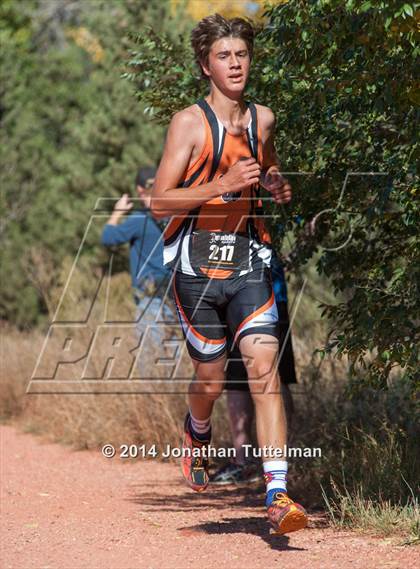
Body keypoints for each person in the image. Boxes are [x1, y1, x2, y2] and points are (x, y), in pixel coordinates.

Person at [151, 14, 308, 535]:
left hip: (248, 260)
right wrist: (218, 184)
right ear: (206, 66)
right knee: (211, 381)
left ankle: (278, 493)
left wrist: (276, 185)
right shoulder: (188, 124)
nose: (235, 63)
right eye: (224, 56)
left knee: (263, 369)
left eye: (241, 54)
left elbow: (267, 168)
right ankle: (197, 431)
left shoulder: (262, 119)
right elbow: (158, 202)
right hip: (196, 264)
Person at [211, 254, 298, 485]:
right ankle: (254, 462)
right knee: (260, 377)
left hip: (249, 294)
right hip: (251, 295)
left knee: (265, 378)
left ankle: (256, 462)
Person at [101, 167, 173, 345]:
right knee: (176, 351)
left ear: (140, 190)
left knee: (149, 356)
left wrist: (117, 212)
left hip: (149, 296)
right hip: (174, 293)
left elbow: (108, 238)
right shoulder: (174, 215)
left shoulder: (138, 219)